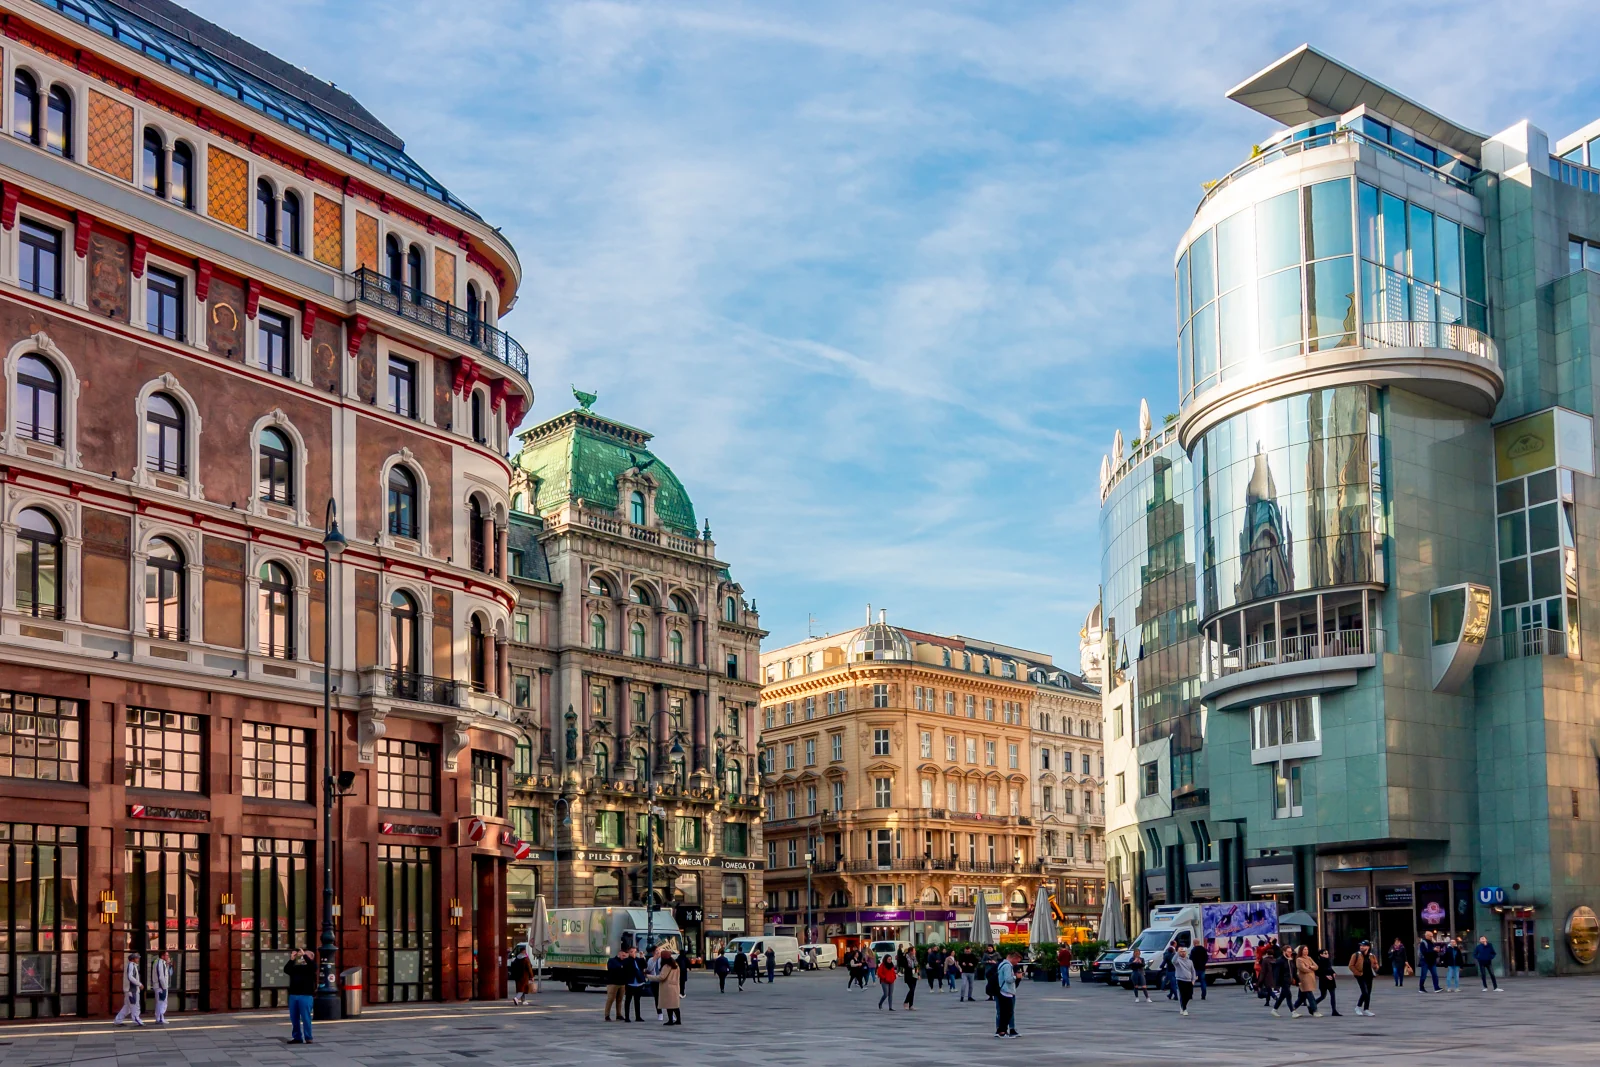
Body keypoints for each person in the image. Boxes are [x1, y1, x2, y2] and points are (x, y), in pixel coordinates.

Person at [283, 948, 317, 1044]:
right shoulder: (297, 967)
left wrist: (305, 955)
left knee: (306, 1017)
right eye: (301, 955)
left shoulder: (311, 968)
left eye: (304, 955)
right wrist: (292, 959)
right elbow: (286, 970)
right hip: (294, 995)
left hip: (305, 996)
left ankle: (308, 1037)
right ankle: (297, 1037)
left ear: (310, 957)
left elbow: (313, 967)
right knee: (294, 1018)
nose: (302, 957)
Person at [651, 947, 683, 1026]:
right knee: (675, 1005)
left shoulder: (666, 966)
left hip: (668, 987)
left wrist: (649, 976)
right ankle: (678, 1020)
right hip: (675, 986)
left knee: (669, 1005)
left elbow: (661, 977)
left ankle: (670, 1021)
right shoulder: (675, 965)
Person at [1348, 939, 1379, 1016]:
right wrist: (1357, 973)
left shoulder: (1372, 956)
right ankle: (1359, 1007)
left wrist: (1376, 967)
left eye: (1364, 946)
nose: (1361, 947)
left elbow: (1376, 965)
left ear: (1368, 947)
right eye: (1361, 946)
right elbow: (1351, 966)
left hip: (1369, 975)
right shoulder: (1356, 955)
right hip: (1360, 976)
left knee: (1368, 992)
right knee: (1365, 992)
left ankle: (1365, 1009)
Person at [113, 951, 144, 1026]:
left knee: (127, 1007)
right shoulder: (131, 965)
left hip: (129, 990)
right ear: (133, 959)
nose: (138, 959)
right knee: (135, 1006)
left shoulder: (130, 965)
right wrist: (139, 984)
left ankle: (118, 1020)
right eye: (137, 958)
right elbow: (130, 977)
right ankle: (137, 1019)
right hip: (132, 990)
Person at [994, 949, 1020, 1038]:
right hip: (1006, 992)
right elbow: (1008, 979)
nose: (1017, 963)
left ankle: (1001, 1030)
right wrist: (1016, 976)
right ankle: (1003, 1031)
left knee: (1003, 1012)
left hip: (1002, 991)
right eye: (1017, 960)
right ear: (1013, 958)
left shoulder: (1001, 964)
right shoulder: (1007, 966)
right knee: (1007, 1012)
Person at [1291, 945, 1320, 1018]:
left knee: (1302, 997)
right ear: (1301, 951)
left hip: (1310, 979)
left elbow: (1316, 966)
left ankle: (1293, 1008)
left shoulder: (1309, 958)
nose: (1306, 951)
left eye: (1307, 949)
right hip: (1304, 979)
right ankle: (1315, 1010)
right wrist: (1311, 969)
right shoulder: (1299, 959)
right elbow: (1303, 968)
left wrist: (1310, 967)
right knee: (1310, 995)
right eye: (1304, 949)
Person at [1269, 944, 1295, 1017]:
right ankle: (1293, 1012)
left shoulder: (1290, 960)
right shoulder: (1280, 960)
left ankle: (1274, 1010)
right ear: (1284, 952)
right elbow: (1277, 973)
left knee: (1282, 997)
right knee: (1289, 996)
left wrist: (1297, 980)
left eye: (1291, 952)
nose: (1290, 953)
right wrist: (1276, 985)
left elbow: (1293, 971)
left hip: (1289, 981)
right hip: (1283, 981)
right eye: (1288, 952)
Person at [1314, 946, 1341, 1016]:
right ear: (1321, 954)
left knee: (1333, 995)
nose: (1327, 954)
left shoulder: (1328, 961)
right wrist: (1325, 976)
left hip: (1331, 980)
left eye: (1327, 953)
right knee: (1323, 996)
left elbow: (1330, 968)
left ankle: (1334, 1010)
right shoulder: (1319, 962)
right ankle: (1312, 1004)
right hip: (1323, 981)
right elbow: (1318, 972)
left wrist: (1333, 973)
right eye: (1325, 953)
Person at [604, 944, 628, 1021]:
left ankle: (619, 1014)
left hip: (622, 983)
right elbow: (613, 968)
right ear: (619, 954)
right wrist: (621, 966)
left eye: (625, 956)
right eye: (623, 955)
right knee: (610, 999)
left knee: (620, 999)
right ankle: (607, 1015)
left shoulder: (625, 962)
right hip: (613, 983)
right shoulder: (612, 960)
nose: (624, 957)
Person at [626, 947, 650, 1021]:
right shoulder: (627, 960)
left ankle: (638, 1016)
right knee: (628, 1000)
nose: (634, 953)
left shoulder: (638, 960)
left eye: (635, 951)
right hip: (630, 983)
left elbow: (645, 966)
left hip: (639, 982)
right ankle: (627, 1017)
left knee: (637, 1000)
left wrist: (642, 957)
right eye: (632, 952)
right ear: (629, 953)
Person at [1171, 945, 1196, 1016]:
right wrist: (1177, 953)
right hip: (1180, 979)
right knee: (1183, 994)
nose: (1183, 953)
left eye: (1184, 952)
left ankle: (1182, 1005)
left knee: (1189, 995)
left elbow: (1193, 971)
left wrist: (1193, 979)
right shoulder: (1178, 961)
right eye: (1181, 952)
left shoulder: (1190, 961)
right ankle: (1184, 1009)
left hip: (1189, 980)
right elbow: (1173, 961)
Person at [151, 950, 172, 1025]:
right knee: (161, 1002)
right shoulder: (160, 963)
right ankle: (160, 1018)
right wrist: (163, 987)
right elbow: (161, 976)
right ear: (162, 956)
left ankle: (160, 1018)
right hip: (161, 986)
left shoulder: (161, 963)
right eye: (167, 955)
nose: (168, 957)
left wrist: (168, 964)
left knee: (160, 1002)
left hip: (160, 986)